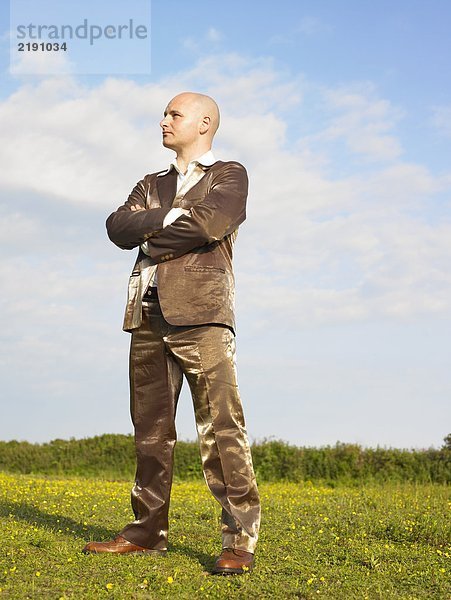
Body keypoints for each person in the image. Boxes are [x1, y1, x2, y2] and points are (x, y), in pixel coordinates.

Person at [82, 92, 261, 575]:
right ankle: (147, 532)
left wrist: (151, 235)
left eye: (173, 114)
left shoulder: (229, 173)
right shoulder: (151, 182)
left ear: (203, 122)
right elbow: (117, 226)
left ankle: (238, 539)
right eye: (164, 114)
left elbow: (210, 223)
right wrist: (164, 217)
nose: (163, 121)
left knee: (222, 430)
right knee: (151, 432)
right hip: (146, 314)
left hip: (203, 315)